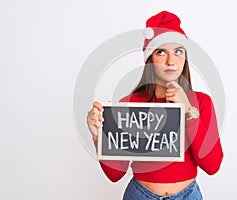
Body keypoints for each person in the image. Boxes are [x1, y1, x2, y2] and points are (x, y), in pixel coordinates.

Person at [87, 11, 223, 200]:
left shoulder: (201, 102)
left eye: (178, 51)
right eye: (161, 51)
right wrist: (98, 136)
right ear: (150, 58)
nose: (171, 61)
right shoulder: (130, 103)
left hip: (188, 195)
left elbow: (212, 165)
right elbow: (115, 174)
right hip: (140, 195)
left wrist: (188, 112)